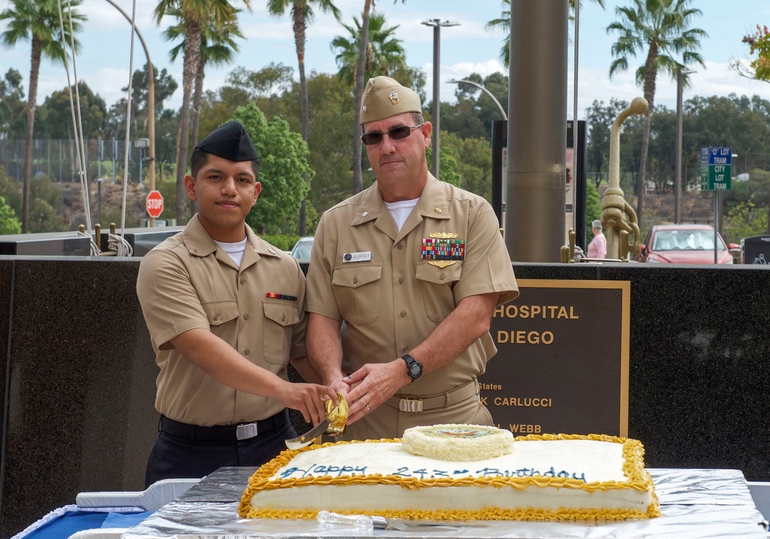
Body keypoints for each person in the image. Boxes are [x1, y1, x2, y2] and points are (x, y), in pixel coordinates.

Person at [306, 76, 519, 440]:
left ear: (425, 134)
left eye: (398, 132)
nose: (386, 146)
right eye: (373, 137)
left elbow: (476, 316)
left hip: (453, 419)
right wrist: (332, 379)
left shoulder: (471, 214)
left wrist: (401, 371)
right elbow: (322, 319)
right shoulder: (336, 223)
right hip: (363, 423)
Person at [136, 121, 334, 485]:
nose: (230, 189)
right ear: (192, 186)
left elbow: (302, 352)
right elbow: (199, 345)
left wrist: (336, 389)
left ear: (255, 192)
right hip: (190, 453)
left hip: (274, 447)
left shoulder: (285, 267)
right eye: (216, 177)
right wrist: (286, 391)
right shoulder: (166, 263)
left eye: (242, 180)